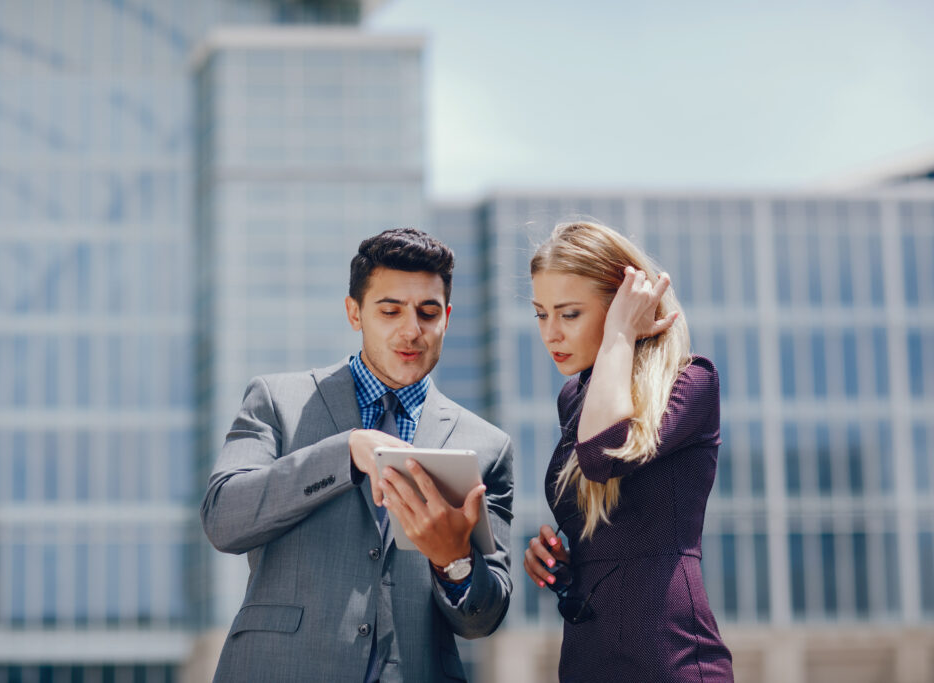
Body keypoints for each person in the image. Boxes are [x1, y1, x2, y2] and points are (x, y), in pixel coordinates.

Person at [201, 228, 514, 682]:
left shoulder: (486, 445)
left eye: (428, 313)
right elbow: (223, 519)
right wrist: (344, 452)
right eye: (390, 311)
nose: (412, 330)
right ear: (355, 312)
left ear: (446, 317)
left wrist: (454, 560)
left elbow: (483, 618)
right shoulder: (277, 399)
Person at [522, 221, 733, 682]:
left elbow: (603, 456)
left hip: (670, 657)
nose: (551, 333)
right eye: (541, 314)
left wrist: (620, 331)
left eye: (569, 314)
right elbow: (608, 524)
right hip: (587, 657)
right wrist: (560, 556)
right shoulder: (574, 399)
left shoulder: (691, 382)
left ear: (624, 301)